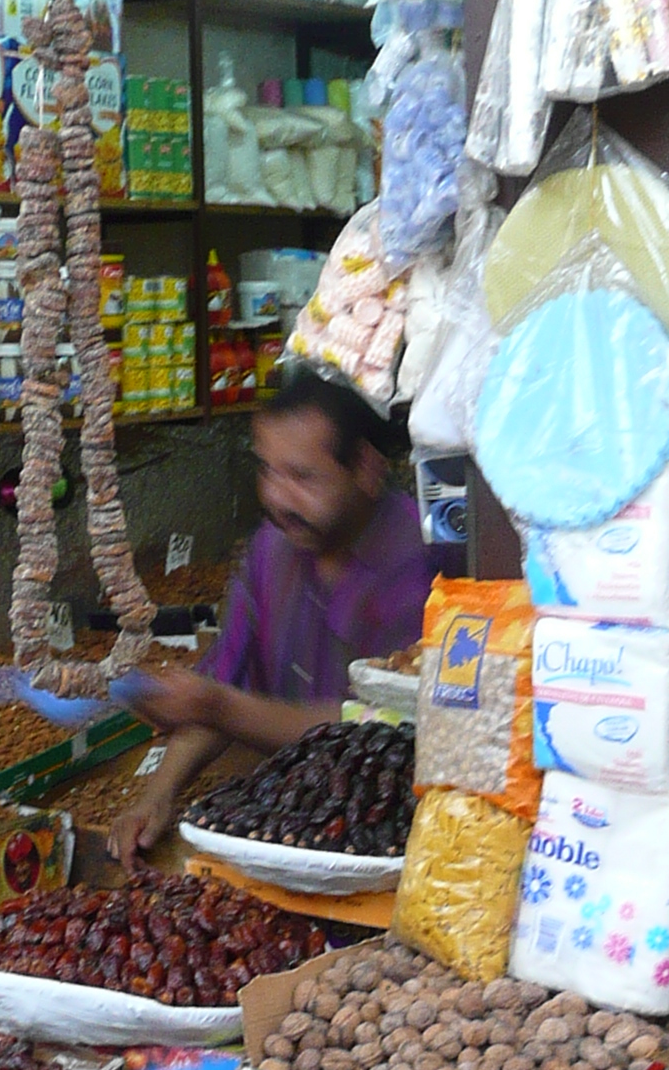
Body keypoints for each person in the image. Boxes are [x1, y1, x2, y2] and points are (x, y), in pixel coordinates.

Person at [110, 364, 433, 865]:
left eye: (302, 476)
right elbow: (225, 681)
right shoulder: (272, 549)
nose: (277, 498)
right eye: (267, 470)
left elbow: (381, 727)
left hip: (385, 846)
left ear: (367, 468)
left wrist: (218, 706)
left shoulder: (420, 563)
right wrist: (158, 795)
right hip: (288, 825)